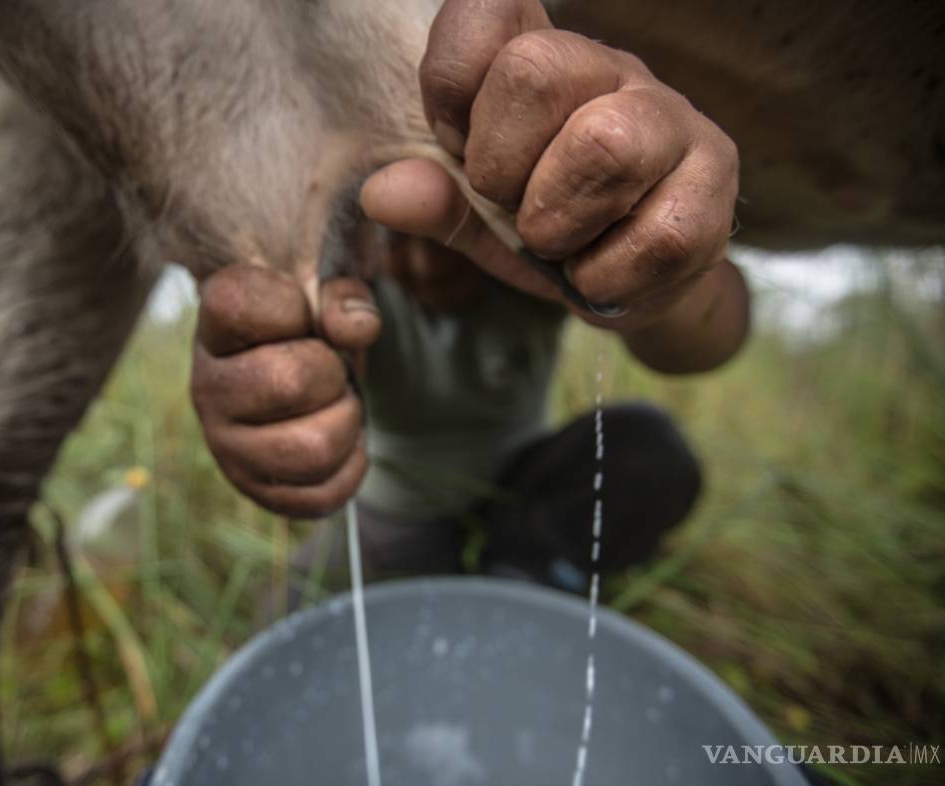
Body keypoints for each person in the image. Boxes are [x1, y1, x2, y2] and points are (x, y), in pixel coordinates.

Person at [189, 1, 751, 604]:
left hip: (529, 483)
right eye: (397, 233)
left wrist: (660, 262)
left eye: (448, 228)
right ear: (364, 219)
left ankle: (526, 581)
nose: (428, 255)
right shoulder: (338, 274)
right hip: (393, 509)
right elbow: (265, 356)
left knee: (650, 448)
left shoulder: (545, 245)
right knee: (289, 615)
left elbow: (716, 329)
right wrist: (261, 384)